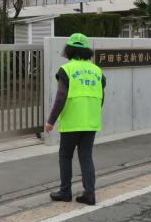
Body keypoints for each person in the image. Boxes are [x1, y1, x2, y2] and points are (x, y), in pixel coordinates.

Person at [45, 33, 106, 205]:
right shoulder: (97, 71)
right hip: (91, 121)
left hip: (72, 122)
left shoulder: (67, 69)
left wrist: (51, 121)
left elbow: (61, 97)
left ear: (69, 50)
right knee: (86, 156)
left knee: (65, 155)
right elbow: (101, 97)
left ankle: (65, 191)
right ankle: (90, 193)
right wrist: (92, 113)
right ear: (87, 51)